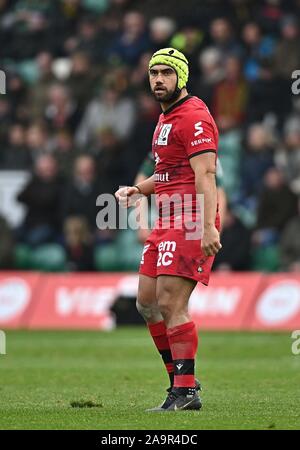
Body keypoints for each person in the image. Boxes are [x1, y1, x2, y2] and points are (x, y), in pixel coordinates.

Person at [115, 48, 222, 412]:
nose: (158, 79)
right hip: (166, 218)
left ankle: (186, 391)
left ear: (182, 77)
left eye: (166, 73)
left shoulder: (193, 115)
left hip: (191, 217)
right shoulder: (164, 119)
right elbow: (166, 173)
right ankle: (178, 380)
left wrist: (207, 226)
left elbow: (205, 174)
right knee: (146, 303)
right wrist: (138, 189)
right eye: (153, 73)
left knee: (170, 303)